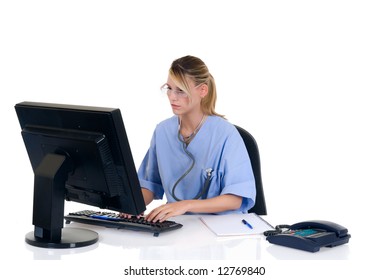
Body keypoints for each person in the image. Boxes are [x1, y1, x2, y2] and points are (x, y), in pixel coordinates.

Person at [139, 55, 256, 222]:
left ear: (203, 90)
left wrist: (186, 205)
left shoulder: (226, 134)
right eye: (169, 88)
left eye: (181, 90)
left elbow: (235, 199)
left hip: (221, 229)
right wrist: (130, 207)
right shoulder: (163, 131)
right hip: (180, 226)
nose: (172, 97)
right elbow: (149, 185)